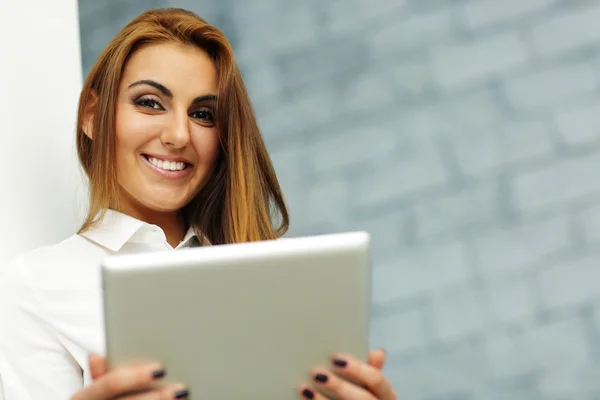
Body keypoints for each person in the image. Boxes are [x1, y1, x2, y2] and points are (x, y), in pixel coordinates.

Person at [0, 7, 397, 400]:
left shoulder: (280, 281)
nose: (178, 135)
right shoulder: (37, 285)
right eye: (150, 102)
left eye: (203, 114)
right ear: (92, 115)